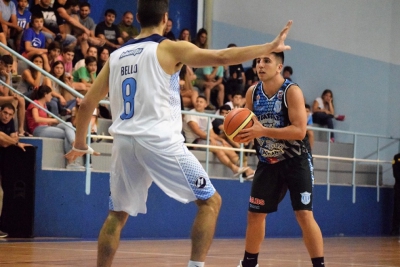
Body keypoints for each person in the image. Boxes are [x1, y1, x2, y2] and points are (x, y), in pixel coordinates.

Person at [65, 1, 292, 266]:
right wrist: (268, 48)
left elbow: (86, 104)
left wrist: (80, 143)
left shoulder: (116, 56)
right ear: (165, 18)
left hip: (124, 142)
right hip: (159, 140)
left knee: (116, 215)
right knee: (210, 202)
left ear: (137, 17)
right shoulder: (169, 48)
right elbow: (221, 57)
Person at [236, 52, 325, 267]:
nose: (260, 65)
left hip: (296, 160)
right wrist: (240, 133)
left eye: (267, 61)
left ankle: (319, 265)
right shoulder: (252, 92)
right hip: (268, 162)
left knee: (304, 214)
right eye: (258, 61)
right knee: (255, 215)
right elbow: (249, 126)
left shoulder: (291, 91)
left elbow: (299, 131)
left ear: (279, 67)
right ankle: (249, 263)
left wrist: (262, 130)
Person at [183, 96, 254, 178]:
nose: (198, 103)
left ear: (205, 105)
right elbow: (197, 131)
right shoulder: (191, 114)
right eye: (197, 101)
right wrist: (211, 138)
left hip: (207, 139)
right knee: (218, 149)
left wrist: (221, 140)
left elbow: (212, 133)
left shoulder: (206, 116)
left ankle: (246, 171)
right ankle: (234, 169)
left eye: (201, 102)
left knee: (228, 148)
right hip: (195, 141)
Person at [0, 103, 32, 238]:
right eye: (4, 113)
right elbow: (2, 137)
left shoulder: (11, 122)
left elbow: (8, 140)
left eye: (10, 114)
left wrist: (12, 140)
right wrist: (16, 143)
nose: (6, 116)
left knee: (1, 194)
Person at [392, 153, 400, 236]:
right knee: (397, 209)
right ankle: (395, 229)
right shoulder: (397, 157)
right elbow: (396, 173)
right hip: (399, 188)